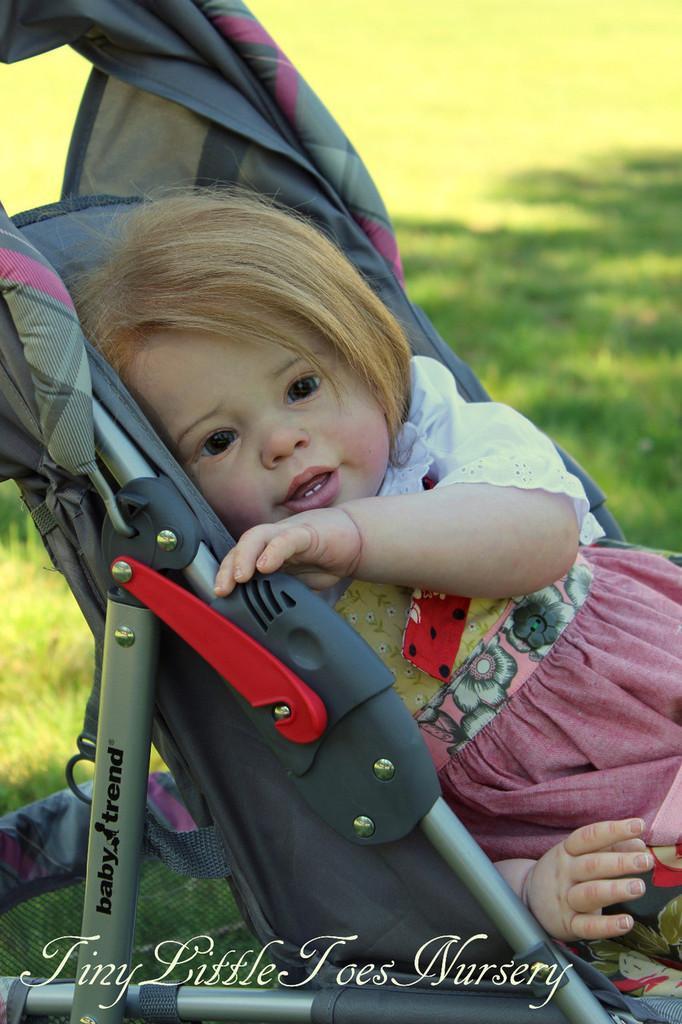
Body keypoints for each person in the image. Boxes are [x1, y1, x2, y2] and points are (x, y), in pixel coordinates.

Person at [74, 189, 682, 962]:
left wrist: (355, 535)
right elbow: (385, 845)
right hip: (552, 818)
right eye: (219, 439)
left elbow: (544, 538)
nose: (283, 441)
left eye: (301, 388)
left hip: (644, 679)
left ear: (365, 356)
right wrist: (529, 887)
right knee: (627, 889)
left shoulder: (430, 436)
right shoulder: (260, 593)